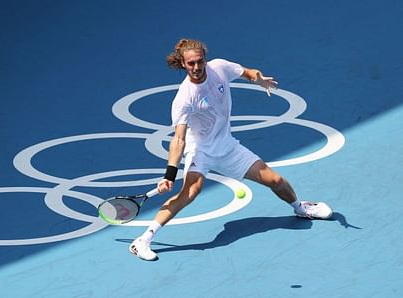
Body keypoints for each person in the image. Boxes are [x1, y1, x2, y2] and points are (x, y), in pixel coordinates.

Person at [129, 38, 332, 261]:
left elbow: (248, 72)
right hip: (201, 151)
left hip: (227, 146)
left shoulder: (220, 68)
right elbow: (178, 140)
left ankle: (300, 207)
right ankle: (143, 240)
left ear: (205, 58)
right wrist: (169, 173)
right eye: (191, 64)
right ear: (182, 64)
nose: (197, 68)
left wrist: (258, 78)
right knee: (190, 192)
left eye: (199, 61)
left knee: (275, 180)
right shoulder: (184, 98)